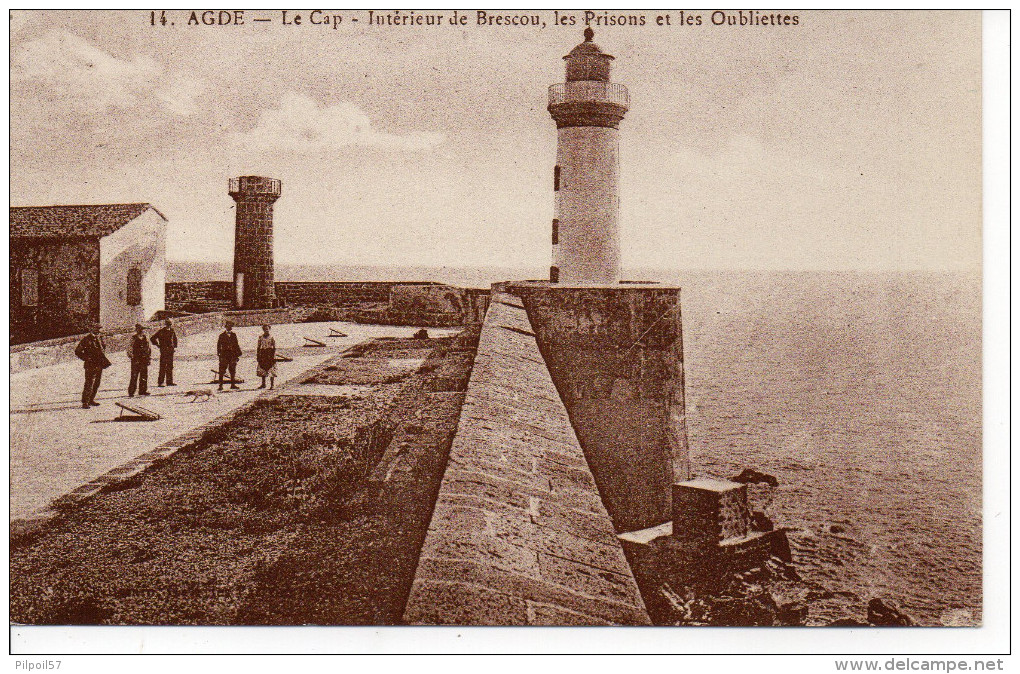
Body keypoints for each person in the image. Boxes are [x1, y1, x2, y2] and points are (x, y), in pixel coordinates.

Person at [74, 323, 110, 408]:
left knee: (97, 383)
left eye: (100, 329)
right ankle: (85, 402)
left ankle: (91, 399)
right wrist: (87, 358)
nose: (99, 330)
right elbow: (78, 351)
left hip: (99, 364)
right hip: (90, 364)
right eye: (97, 329)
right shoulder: (86, 339)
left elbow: (102, 349)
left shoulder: (100, 338)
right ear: (93, 329)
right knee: (89, 383)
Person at [150, 318, 178, 386]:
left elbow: (174, 339)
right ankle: (160, 382)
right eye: (168, 324)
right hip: (164, 350)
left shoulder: (172, 330)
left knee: (170, 366)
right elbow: (152, 338)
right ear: (166, 324)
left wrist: (174, 346)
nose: (169, 326)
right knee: (163, 366)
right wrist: (157, 345)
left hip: (170, 351)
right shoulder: (161, 331)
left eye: (170, 324)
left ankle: (169, 382)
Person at [216, 320, 242, 390]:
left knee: (232, 370)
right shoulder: (221, 335)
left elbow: (236, 344)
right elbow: (218, 346)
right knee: (222, 370)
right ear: (226, 326)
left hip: (232, 355)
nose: (230, 327)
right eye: (229, 326)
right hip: (224, 355)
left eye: (231, 326)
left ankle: (233, 385)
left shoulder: (234, 335)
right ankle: (220, 386)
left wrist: (238, 354)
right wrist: (219, 354)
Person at [128, 323, 151, 397]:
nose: (141, 331)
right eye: (140, 329)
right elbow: (129, 349)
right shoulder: (133, 338)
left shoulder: (145, 337)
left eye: (142, 329)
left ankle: (142, 391)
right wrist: (132, 357)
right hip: (136, 360)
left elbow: (148, 348)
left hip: (144, 359)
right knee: (134, 376)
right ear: (137, 330)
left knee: (144, 375)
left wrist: (149, 357)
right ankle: (131, 392)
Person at [255, 324, 278, 390]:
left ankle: (272, 385)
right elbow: (258, 347)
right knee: (262, 368)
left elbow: (274, 347)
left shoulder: (272, 337)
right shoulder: (260, 337)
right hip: (263, 353)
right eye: (265, 329)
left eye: (267, 329)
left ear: (269, 329)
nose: (266, 330)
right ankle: (263, 384)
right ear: (263, 330)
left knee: (271, 368)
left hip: (270, 353)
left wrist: (274, 355)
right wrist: (258, 355)